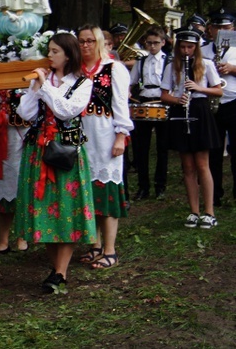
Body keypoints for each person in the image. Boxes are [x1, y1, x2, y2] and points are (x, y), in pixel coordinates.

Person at [15, 32, 96, 292]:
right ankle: (56, 270)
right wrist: (36, 89)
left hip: (66, 149)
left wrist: (46, 87)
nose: (49, 55)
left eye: (54, 51)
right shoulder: (43, 79)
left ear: (68, 55)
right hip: (39, 148)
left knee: (67, 206)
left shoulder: (82, 82)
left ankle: (60, 272)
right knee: (46, 205)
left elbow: (65, 111)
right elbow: (24, 113)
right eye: (49, 51)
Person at [77, 25, 133, 270]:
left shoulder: (113, 68)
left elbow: (120, 103)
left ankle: (110, 249)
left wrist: (121, 136)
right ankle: (94, 244)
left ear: (99, 42)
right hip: (81, 135)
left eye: (90, 41)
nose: (86, 45)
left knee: (107, 189)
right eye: (81, 41)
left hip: (105, 133)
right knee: (87, 190)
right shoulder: (75, 72)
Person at [161, 26, 222, 229]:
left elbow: (218, 91)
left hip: (200, 110)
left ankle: (209, 212)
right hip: (181, 110)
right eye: (183, 47)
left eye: (190, 47)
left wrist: (198, 88)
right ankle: (194, 211)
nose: (186, 51)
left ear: (196, 48)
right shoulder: (172, 66)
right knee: (187, 166)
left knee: (202, 164)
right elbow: (164, 95)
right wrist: (177, 99)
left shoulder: (206, 64)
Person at [0, 89, 29, 253]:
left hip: (19, 132)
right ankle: (3, 239)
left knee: (20, 179)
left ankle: (22, 235)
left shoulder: (27, 72)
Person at [129, 26, 171, 200]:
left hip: (162, 101)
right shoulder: (141, 61)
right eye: (149, 43)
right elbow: (131, 83)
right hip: (145, 101)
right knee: (141, 147)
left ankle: (160, 186)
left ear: (162, 42)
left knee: (162, 147)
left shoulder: (169, 61)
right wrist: (129, 94)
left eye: (155, 43)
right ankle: (143, 187)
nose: (152, 46)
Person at [200, 10, 236, 207]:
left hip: (234, 101)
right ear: (211, 30)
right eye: (218, 28)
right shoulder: (204, 51)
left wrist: (232, 69)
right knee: (212, 151)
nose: (222, 31)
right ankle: (214, 195)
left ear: (233, 29)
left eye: (226, 28)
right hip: (210, 105)